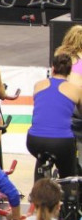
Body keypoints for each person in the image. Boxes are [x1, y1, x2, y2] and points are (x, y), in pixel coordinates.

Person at [27, 53, 82, 181]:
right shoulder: (75, 90)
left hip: (34, 141)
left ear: (53, 68)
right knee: (68, 173)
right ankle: (68, 194)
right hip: (61, 143)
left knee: (42, 156)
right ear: (69, 71)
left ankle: (37, 190)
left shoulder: (38, 85)